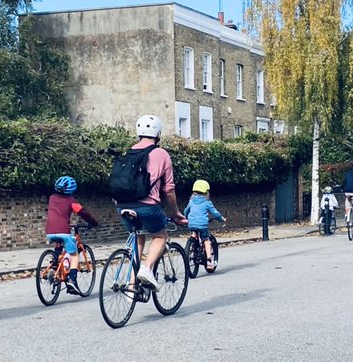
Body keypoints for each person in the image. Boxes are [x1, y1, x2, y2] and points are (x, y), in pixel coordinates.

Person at [113, 114, 187, 292]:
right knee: (160, 236)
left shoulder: (129, 152)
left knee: (138, 238)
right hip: (147, 207)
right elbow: (168, 189)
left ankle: (131, 284)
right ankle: (146, 270)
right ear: (158, 133)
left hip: (122, 205)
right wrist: (176, 212)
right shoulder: (161, 154)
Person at [44, 175, 99, 295]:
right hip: (64, 230)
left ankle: (55, 267)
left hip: (49, 231)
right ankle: (71, 280)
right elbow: (83, 213)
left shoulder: (52, 198)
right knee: (74, 255)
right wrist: (94, 223)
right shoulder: (71, 201)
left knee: (59, 248)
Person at [184, 179, 225, 270]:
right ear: (206, 192)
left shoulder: (191, 201)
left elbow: (186, 211)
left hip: (191, 223)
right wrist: (221, 219)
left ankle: (192, 244)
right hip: (202, 225)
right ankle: (209, 261)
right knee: (206, 240)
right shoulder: (207, 202)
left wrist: (186, 218)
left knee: (194, 233)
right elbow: (215, 213)